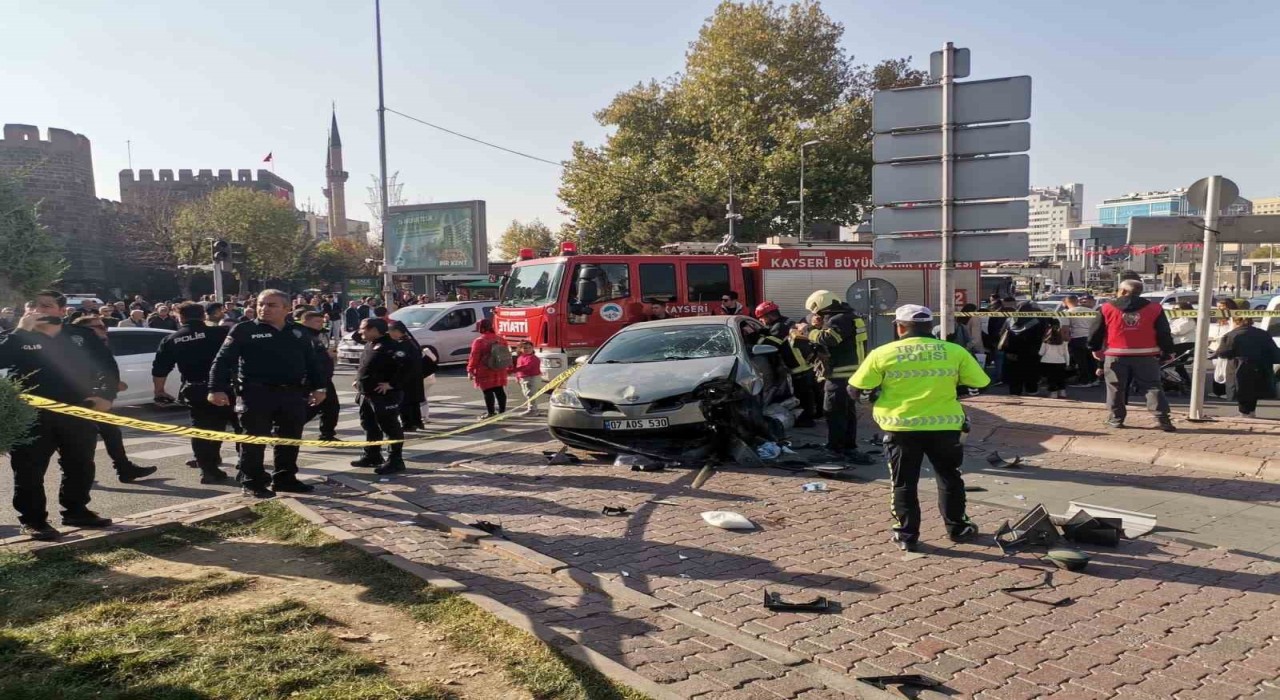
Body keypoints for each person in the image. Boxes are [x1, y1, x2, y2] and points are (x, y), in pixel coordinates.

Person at [851, 304, 989, 552]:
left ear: (899, 327)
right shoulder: (954, 351)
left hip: (900, 428)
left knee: (903, 483)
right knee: (950, 478)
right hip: (946, 427)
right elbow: (979, 385)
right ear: (929, 326)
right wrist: (952, 392)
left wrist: (874, 397)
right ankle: (958, 528)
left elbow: (856, 391)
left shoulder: (883, 353)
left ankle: (906, 535)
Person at [0, 291, 118, 540]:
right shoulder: (17, 338)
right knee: (29, 470)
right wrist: (20, 332)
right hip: (30, 414)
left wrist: (106, 396)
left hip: (77, 409)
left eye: (46, 305)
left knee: (80, 464)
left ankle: (76, 510)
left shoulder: (80, 336)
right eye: (32, 304)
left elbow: (106, 366)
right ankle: (34, 521)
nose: (37, 310)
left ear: (62, 311)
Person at [208, 289, 326, 498]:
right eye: (261, 304)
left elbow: (313, 362)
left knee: (290, 438)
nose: (264, 309)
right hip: (256, 394)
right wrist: (215, 388)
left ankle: (285, 478)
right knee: (254, 439)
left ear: (287, 309)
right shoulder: (243, 330)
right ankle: (253, 481)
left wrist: (320, 387)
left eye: (272, 305)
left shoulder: (298, 332)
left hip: (291, 394)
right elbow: (222, 361)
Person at [152, 302, 237, 483]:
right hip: (224, 387)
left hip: (195, 388)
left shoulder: (172, 339)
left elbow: (160, 369)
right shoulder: (220, 333)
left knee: (201, 428)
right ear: (203, 316)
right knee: (232, 426)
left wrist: (159, 391)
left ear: (180, 317)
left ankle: (208, 468)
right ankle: (243, 467)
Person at [71, 316, 159, 482]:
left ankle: (124, 468)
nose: (104, 330)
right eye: (97, 327)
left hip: (98, 399)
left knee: (112, 433)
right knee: (79, 440)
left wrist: (111, 384)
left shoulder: (100, 346)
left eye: (104, 327)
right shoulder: (74, 348)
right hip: (78, 400)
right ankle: (75, 474)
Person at [1088, 279, 1176, 431]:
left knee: (1115, 387)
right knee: (1152, 387)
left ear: (1122, 291)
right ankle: (1163, 419)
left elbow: (1096, 332)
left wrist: (1095, 348)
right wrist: (1168, 351)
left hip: (1116, 354)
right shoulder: (1155, 308)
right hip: (1146, 354)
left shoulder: (1106, 308)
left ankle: (1116, 419)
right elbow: (1163, 333)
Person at [805, 290, 874, 465]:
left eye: (816, 312)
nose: (816, 315)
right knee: (847, 413)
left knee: (834, 413)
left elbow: (830, 339)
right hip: (852, 374)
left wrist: (809, 330)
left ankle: (835, 450)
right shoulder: (850, 316)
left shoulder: (838, 320)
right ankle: (849, 448)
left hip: (839, 376)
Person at [349, 318, 407, 474]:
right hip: (367, 394)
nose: (360, 332)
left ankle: (395, 460)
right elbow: (366, 366)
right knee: (369, 425)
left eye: (363, 329)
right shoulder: (370, 344)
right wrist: (358, 381)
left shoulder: (391, 346)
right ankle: (372, 455)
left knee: (390, 426)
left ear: (374, 329)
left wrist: (392, 384)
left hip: (385, 395)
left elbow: (408, 369)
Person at [755, 301, 818, 427]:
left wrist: (754, 336)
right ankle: (813, 416)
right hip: (804, 364)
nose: (761, 321)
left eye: (762, 319)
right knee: (809, 394)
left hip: (799, 366)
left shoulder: (779, 326)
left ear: (770, 316)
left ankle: (806, 420)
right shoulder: (786, 322)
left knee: (803, 395)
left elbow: (770, 344)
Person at [1210, 315, 1280, 417]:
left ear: (1235, 322)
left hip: (1238, 366)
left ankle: (1245, 414)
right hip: (1260, 366)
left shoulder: (1232, 334)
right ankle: (1251, 412)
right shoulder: (1262, 333)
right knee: (1254, 390)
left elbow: (1223, 352)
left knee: (1241, 390)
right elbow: (1273, 351)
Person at [299, 311, 342, 442]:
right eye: (317, 322)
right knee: (310, 408)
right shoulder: (303, 336)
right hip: (312, 379)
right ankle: (282, 431)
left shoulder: (316, 335)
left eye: (322, 321)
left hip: (324, 378)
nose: (320, 324)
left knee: (331, 407)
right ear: (305, 321)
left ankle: (327, 434)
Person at [1001, 302, 1046, 396]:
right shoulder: (1037, 321)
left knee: (1014, 375)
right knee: (1031, 373)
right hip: (1031, 352)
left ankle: (1015, 392)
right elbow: (1041, 336)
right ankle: (1031, 391)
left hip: (1012, 352)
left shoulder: (1010, 320)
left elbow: (1002, 333)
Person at [468, 318, 510, 417]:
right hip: (499, 368)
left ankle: (491, 412)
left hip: (485, 369)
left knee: (488, 391)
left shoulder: (479, 341)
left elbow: (474, 356)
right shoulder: (501, 339)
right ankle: (502, 411)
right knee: (500, 390)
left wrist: (470, 369)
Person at [388, 321, 426, 431]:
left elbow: (400, 360)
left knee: (405, 402)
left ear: (396, 332)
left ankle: (408, 424)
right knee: (414, 401)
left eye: (390, 331)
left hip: (406, 377)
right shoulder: (411, 341)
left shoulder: (403, 344)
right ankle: (417, 422)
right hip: (414, 376)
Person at [1063, 295, 1100, 387]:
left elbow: (1066, 329)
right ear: (1077, 301)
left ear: (1066, 303)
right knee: (1091, 360)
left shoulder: (1068, 312)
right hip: (1091, 338)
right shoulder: (1092, 312)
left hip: (1078, 338)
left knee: (1080, 361)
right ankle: (1094, 379)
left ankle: (1084, 381)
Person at [1039, 321, 1069, 398]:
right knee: (1060, 377)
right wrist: (1067, 363)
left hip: (1047, 361)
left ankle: (1053, 393)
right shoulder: (1063, 342)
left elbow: (1041, 353)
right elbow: (1066, 354)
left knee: (1051, 378)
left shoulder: (1045, 341)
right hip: (1060, 362)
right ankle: (1062, 392)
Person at [514, 341, 544, 416]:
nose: (527, 349)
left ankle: (532, 410)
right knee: (527, 394)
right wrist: (517, 377)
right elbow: (519, 367)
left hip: (532, 378)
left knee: (530, 394)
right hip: (524, 378)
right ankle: (533, 409)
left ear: (533, 348)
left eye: (529, 348)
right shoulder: (520, 357)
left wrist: (511, 371)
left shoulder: (533, 358)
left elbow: (527, 367)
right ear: (520, 349)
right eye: (525, 348)